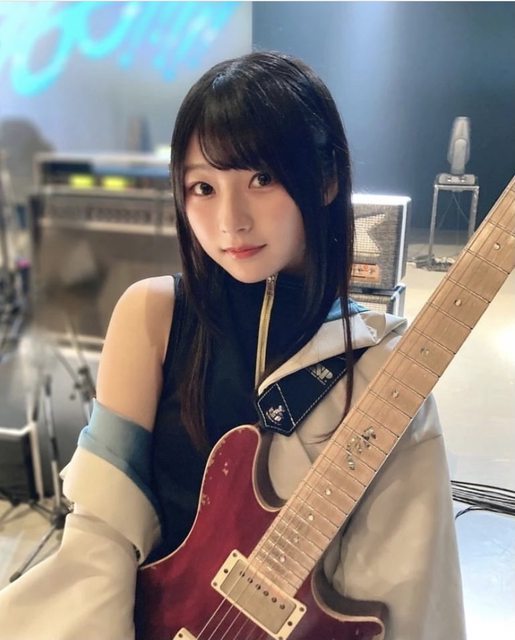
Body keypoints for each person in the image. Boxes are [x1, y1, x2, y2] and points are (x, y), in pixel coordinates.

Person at [0, 51, 465, 639]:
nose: (230, 221)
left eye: (262, 179)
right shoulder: (152, 316)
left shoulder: (381, 367)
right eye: (203, 187)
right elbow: (103, 533)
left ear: (326, 178)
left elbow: (404, 587)